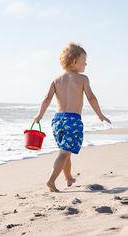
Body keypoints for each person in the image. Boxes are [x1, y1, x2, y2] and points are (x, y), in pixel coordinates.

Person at [34, 43, 111, 192]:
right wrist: (100, 115)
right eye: (84, 61)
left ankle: (68, 177)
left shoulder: (56, 80)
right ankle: (50, 180)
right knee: (64, 153)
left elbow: (46, 99)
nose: (86, 64)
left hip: (57, 121)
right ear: (75, 61)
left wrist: (39, 115)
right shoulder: (82, 79)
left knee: (66, 151)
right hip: (72, 120)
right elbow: (92, 98)